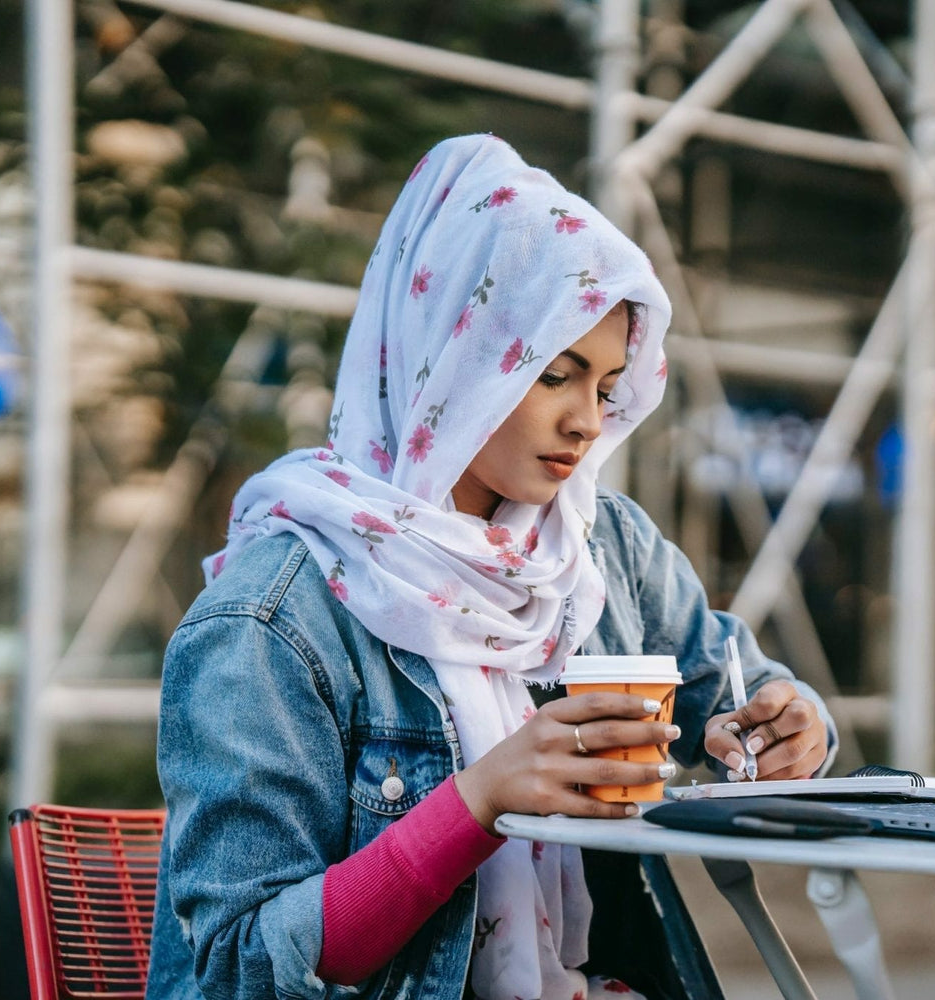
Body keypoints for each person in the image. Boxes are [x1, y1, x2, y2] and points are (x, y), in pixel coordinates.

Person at [145, 134, 836, 1000]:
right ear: (455, 355)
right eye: (556, 375)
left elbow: (736, 683)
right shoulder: (272, 617)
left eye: (607, 384)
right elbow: (238, 972)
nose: (589, 422)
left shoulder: (598, 547)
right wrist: (476, 804)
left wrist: (789, 725)